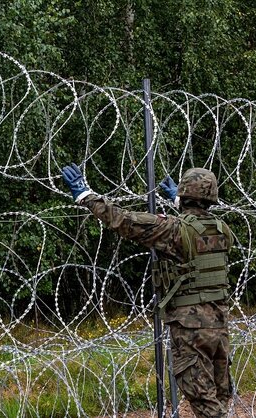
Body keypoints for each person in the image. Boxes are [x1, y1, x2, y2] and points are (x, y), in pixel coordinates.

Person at [61, 164, 233, 418]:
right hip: (219, 327)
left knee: (205, 404)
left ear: (184, 194)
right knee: (219, 398)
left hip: (190, 328)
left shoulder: (173, 229)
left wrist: (85, 195)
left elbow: (124, 220)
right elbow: (197, 224)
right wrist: (179, 200)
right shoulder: (222, 230)